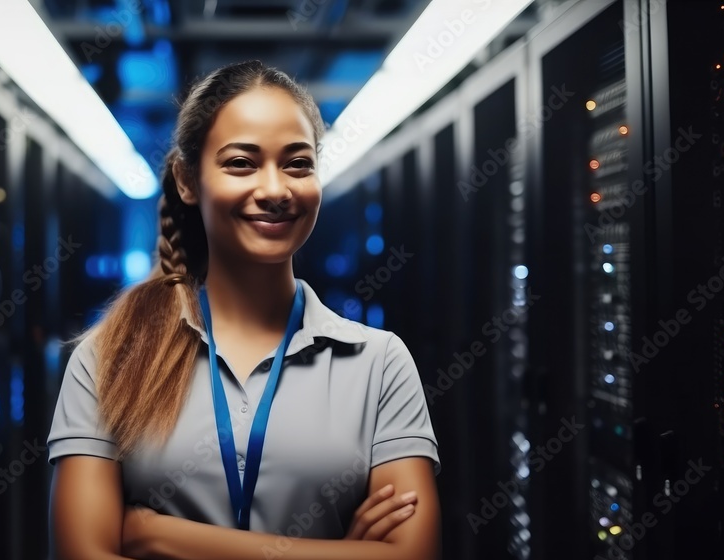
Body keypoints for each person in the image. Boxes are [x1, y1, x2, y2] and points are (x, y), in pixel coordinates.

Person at [48, 59, 441, 560]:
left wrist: (160, 535)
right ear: (187, 180)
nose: (275, 190)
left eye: (298, 163)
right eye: (242, 163)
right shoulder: (110, 358)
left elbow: (415, 555)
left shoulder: (380, 363)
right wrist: (339, 553)